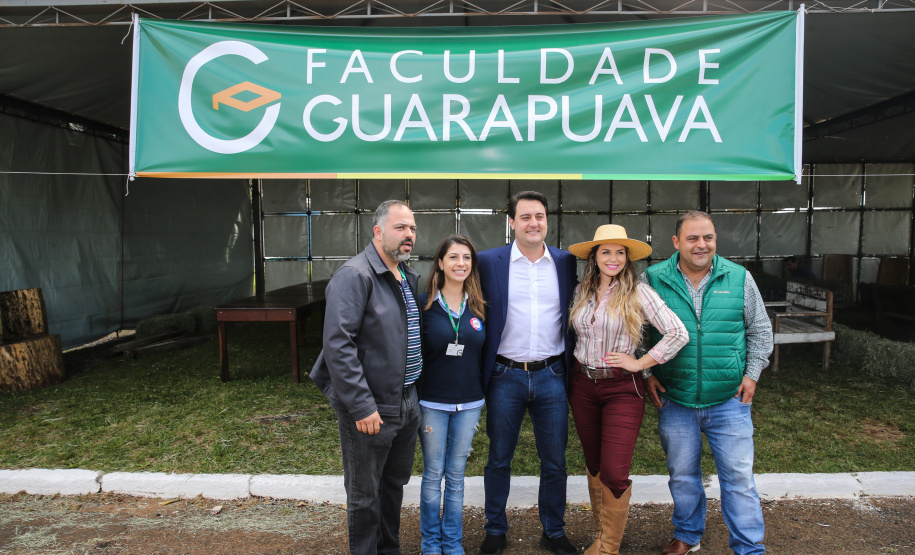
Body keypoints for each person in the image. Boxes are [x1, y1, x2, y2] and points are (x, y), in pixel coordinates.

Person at [641, 211, 773, 555]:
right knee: (682, 474)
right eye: (693, 238)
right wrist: (647, 373)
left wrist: (752, 374)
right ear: (676, 242)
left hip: (728, 399)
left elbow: (760, 330)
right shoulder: (653, 278)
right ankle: (687, 534)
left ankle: (749, 546)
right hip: (676, 397)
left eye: (708, 238)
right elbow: (635, 332)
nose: (702, 245)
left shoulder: (739, 278)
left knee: (739, 477)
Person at [567, 225, 689, 555]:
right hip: (583, 386)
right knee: (594, 464)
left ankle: (609, 548)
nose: (614, 258)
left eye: (620, 252)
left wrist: (640, 363)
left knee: (615, 470)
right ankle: (600, 536)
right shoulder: (581, 292)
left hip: (622, 388)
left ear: (627, 258)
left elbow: (678, 333)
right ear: (594, 257)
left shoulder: (638, 292)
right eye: (606, 251)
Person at [310, 199, 422, 555]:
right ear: (378, 231)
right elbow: (338, 344)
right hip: (372, 406)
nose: (408, 234)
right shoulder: (355, 275)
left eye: (412, 228)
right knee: (364, 495)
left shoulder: (403, 274)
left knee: (393, 486)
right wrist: (361, 406)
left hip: (406, 400)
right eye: (400, 227)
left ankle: (389, 549)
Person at [476, 191, 579, 555]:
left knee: (555, 460)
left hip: (552, 374)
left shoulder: (566, 262)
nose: (533, 223)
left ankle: (554, 531)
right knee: (498, 458)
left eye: (539, 216)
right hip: (504, 375)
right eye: (525, 217)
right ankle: (494, 529)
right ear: (512, 222)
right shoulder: (488, 261)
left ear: (547, 220)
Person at [418, 234, 487, 555]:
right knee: (433, 474)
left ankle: (453, 543)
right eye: (454, 257)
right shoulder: (424, 305)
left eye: (467, 258)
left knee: (456, 476)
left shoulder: (479, 306)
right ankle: (431, 543)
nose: (461, 263)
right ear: (441, 263)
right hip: (432, 402)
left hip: (470, 402)